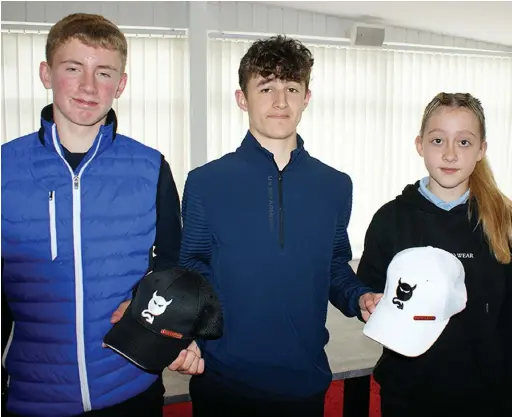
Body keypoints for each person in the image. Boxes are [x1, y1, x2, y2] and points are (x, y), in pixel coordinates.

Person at [1, 13, 200, 417]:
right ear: (46, 73)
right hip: (34, 395)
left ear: (121, 84)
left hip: (131, 388)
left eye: (104, 73)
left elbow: (172, 266)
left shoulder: (150, 167)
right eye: (73, 68)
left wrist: (159, 313)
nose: (89, 87)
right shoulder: (5, 168)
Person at [179, 35, 382, 417]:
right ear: (242, 98)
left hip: (303, 381)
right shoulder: (205, 182)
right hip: (223, 381)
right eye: (266, 87)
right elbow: (191, 267)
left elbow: (336, 265)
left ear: (307, 97)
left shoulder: (335, 185)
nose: (280, 101)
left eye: (292, 87)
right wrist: (188, 334)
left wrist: (359, 297)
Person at [357, 92, 512, 416]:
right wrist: (367, 301)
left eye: (465, 142)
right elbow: (367, 291)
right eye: (438, 140)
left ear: (482, 150)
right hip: (409, 395)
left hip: (490, 397)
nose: (451, 153)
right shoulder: (391, 219)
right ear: (420, 145)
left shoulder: (504, 221)